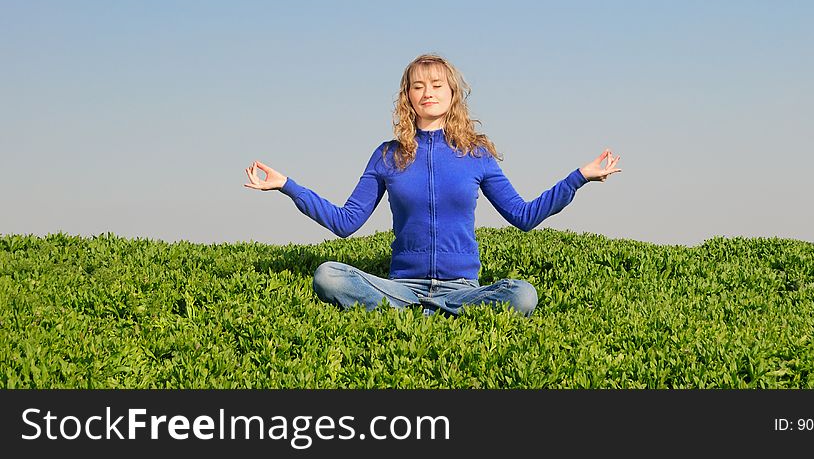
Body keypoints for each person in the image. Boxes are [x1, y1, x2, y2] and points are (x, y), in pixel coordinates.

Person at [244, 53, 622, 317]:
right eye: (418, 86)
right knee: (328, 274)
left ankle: (432, 310)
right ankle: (422, 308)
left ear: (452, 93)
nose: (428, 92)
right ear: (407, 96)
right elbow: (346, 222)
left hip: (462, 287)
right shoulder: (387, 155)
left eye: (437, 85)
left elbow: (523, 216)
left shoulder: (476, 155)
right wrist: (287, 185)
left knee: (522, 295)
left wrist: (579, 178)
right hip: (401, 285)